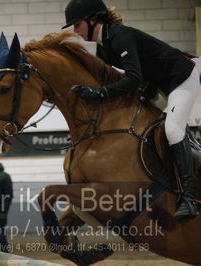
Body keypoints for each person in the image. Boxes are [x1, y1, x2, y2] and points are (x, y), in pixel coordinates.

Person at [62, 0, 200, 221]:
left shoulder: (119, 36)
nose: (75, 30)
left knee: (173, 130)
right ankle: (162, 189)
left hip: (182, 78)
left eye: (77, 24)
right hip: (159, 85)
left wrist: (100, 94)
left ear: (93, 19)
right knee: (146, 129)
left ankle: (188, 198)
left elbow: (133, 78)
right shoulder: (103, 47)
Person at [0, 162, 13, 252]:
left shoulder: (4, 177)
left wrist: (3, 211)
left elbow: (8, 196)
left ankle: (5, 252)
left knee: (0, 232)